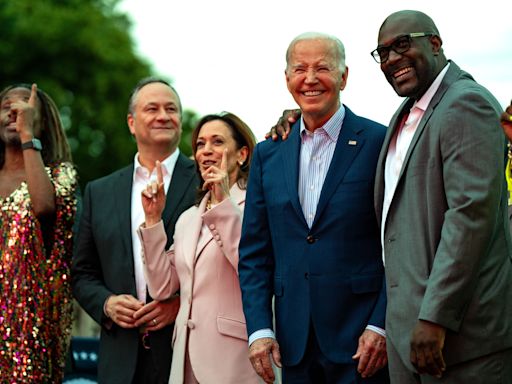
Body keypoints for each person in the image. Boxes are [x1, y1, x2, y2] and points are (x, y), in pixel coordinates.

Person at [238, 32, 389, 384]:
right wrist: (260, 329)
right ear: (287, 78)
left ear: (344, 77)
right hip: (294, 345)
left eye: (322, 68)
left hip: (363, 343)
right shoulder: (268, 153)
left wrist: (381, 323)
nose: (309, 79)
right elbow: (255, 253)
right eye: (299, 69)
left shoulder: (379, 142)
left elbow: (396, 244)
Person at [371, 10, 512, 382]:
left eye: (402, 45)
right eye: (382, 53)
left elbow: (470, 217)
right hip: (407, 342)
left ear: (435, 43)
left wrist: (434, 317)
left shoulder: (466, 103)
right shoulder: (402, 116)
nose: (392, 60)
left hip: (460, 344)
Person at [72, 78, 198, 384]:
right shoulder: (99, 191)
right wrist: (106, 303)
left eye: (171, 109)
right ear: (131, 123)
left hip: (186, 354)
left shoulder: (204, 182)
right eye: (151, 108)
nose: (163, 115)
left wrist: (180, 303)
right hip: (120, 357)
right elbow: (81, 272)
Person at [136, 112, 260, 383]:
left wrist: (223, 203)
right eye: (200, 144)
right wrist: (153, 219)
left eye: (217, 142)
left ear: (242, 154)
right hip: (185, 361)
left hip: (236, 359)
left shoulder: (257, 205)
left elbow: (251, 268)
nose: (206, 151)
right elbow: (161, 287)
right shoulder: (187, 218)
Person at [0, 83, 78, 382]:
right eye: (6, 104)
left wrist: (26, 136)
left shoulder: (60, 174)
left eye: (24, 106)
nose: (14, 110)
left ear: (41, 122)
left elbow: (44, 208)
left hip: (29, 340)